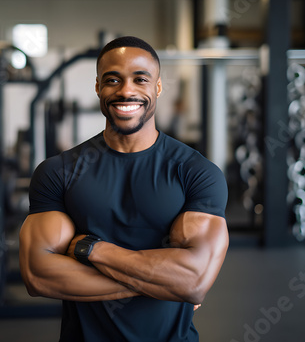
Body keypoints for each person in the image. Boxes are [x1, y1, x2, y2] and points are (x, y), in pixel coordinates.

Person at [19, 36, 229, 342]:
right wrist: (164, 283)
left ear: (157, 87)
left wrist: (91, 249)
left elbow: (192, 281)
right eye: (112, 80)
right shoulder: (57, 172)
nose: (126, 90)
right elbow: (38, 275)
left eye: (140, 79)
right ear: (97, 87)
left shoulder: (196, 173)